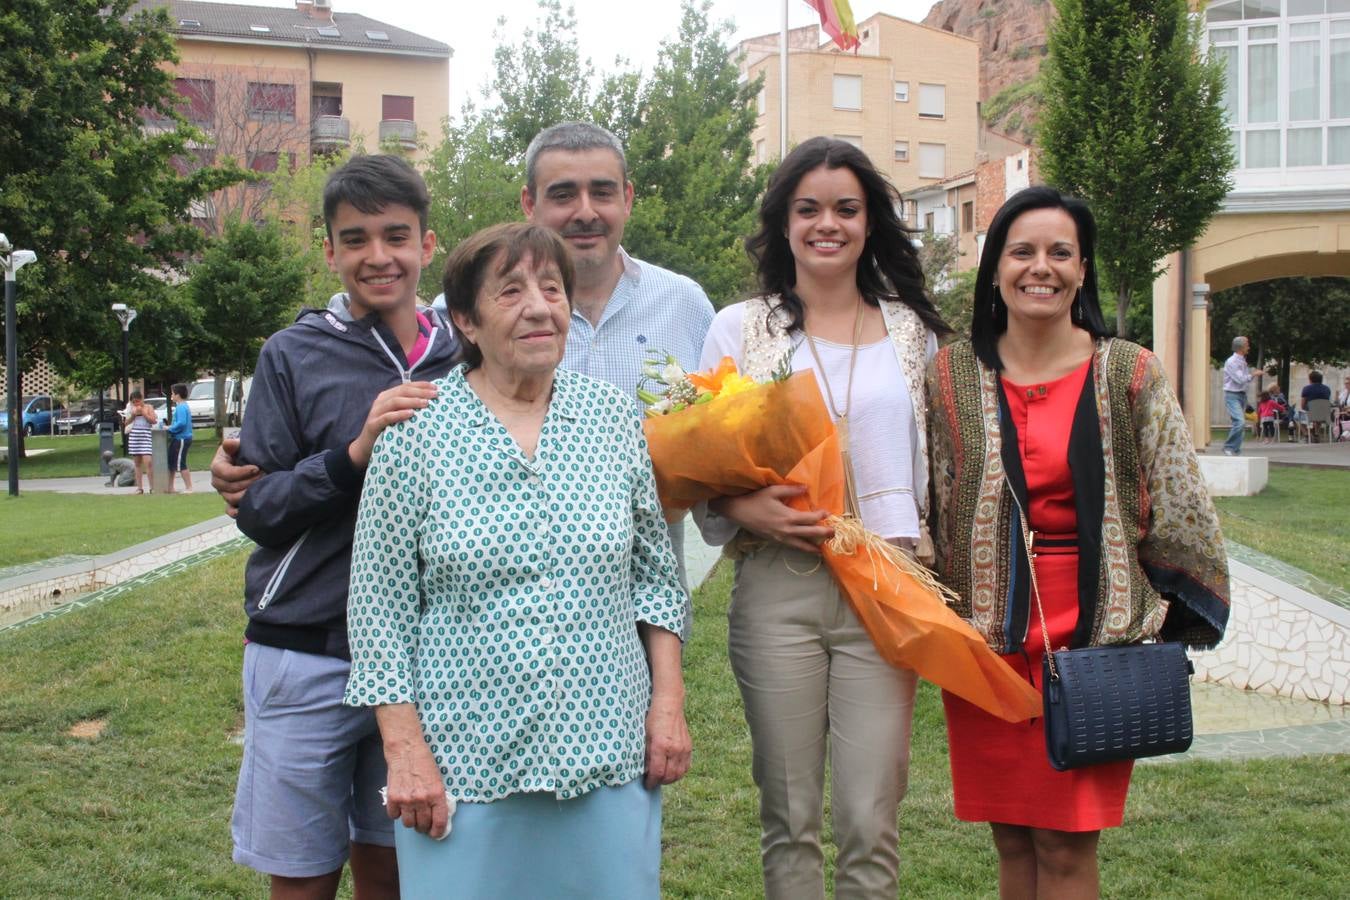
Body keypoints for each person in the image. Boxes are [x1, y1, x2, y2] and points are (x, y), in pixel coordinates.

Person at [344, 222, 689, 899]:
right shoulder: (416, 432)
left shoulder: (613, 420)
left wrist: (668, 706)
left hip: (607, 749)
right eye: (512, 291)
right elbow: (378, 612)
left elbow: (655, 578)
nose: (540, 306)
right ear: (467, 322)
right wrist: (405, 754)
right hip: (463, 764)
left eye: (553, 288)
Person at [927, 186, 1230, 899]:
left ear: (1083, 268)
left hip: (1094, 637)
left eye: (1060, 252)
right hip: (986, 643)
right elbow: (936, 500)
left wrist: (1174, 618)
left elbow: (1181, 499)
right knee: (1011, 841)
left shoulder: (1129, 371)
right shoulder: (949, 374)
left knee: (1065, 848)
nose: (1042, 267)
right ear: (995, 266)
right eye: (1022, 251)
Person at [695, 136, 950, 899]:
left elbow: (943, 459)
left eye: (846, 208)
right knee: (791, 811)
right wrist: (740, 506)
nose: (826, 224)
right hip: (781, 586)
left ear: (871, 222)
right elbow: (699, 462)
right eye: (808, 209)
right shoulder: (739, 328)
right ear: (783, 223)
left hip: (887, 583)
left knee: (872, 815)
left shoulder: (913, 332)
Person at [225, 155, 462, 900]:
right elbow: (258, 512)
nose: (378, 256)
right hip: (308, 649)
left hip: (429, 656)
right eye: (355, 239)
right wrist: (354, 454)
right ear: (330, 250)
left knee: (397, 861)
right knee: (302, 871)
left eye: (397, 236)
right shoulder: (292, 353)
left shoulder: (467, 350)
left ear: (428, 246)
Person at [520, 121, 715, 629]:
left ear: (627, 198)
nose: (585, 212)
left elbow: (718, 434)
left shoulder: (683, 305)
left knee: (655, 705)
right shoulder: (473, 310)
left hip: (647, 585)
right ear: (529, 204)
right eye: (563, 194)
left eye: (602, 192)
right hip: (512, 585)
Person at [1221, 335, 1258, 456]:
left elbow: (1243, 381)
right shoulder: (1232, 362)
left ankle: (1235, 450)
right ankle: (1229, 447)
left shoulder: (1242, 361)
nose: (1249, 347)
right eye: (1247, 344)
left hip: (1241, 395)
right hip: (1232, 395)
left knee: (1239, 424)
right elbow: (1240, 379)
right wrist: (1253, 374)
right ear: (1241, 347)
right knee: (1240, 422)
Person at [120, 390, 157, 493]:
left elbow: (153, 420)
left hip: (146, 437)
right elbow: (126, 423)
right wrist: (133, 415)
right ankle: (139, 488)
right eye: (133, 402)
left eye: (137, 401)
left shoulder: (148, 407)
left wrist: (144, 413)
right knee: (137, 463)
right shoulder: (131, 409)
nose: (136, 403)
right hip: (135, 437)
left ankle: (152, 487)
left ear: (142, 399)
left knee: (148, 462)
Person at [166, 382, 193, 493]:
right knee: (171, 463)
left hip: (182, 438)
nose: (171, 395)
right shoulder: (180, 406)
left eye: (172, 393)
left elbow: (181, 423)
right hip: (177, 438)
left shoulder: (182, 407)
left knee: (180, 463)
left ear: (178, 395)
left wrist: (169, 428)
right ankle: (170, 488)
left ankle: (189, 487)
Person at [1300, 370, 1333, 441]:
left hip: (1311, 415)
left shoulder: (1306, 389)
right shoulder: (1327, 389)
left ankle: (1307, 435)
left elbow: (1302, 406)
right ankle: (1316, 434)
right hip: (1325, 416)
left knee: (1295, 417)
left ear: (1311, 379)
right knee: (1318, 415)